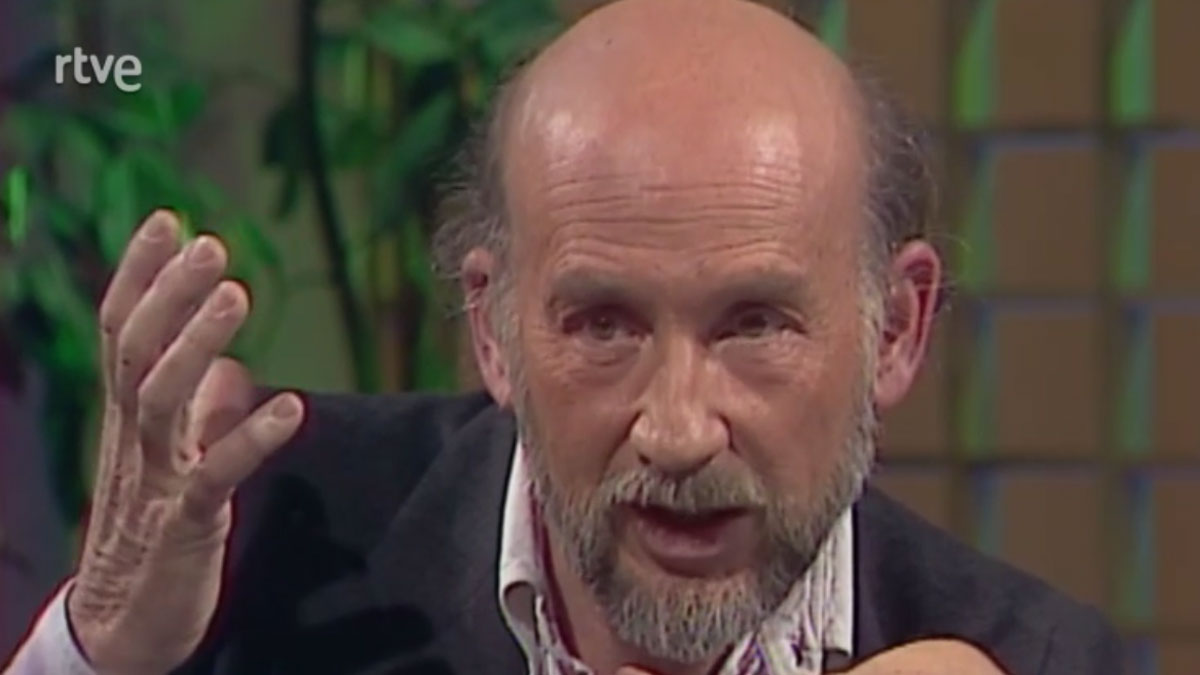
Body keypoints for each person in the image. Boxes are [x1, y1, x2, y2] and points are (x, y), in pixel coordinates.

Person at [4, 0, 1120, 673]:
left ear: (897, 330)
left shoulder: (1046, 659)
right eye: (604, 324)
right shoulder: (271, 545)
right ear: (494, 330)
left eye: (754, 326)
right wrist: (101, 652)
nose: (678, 431)